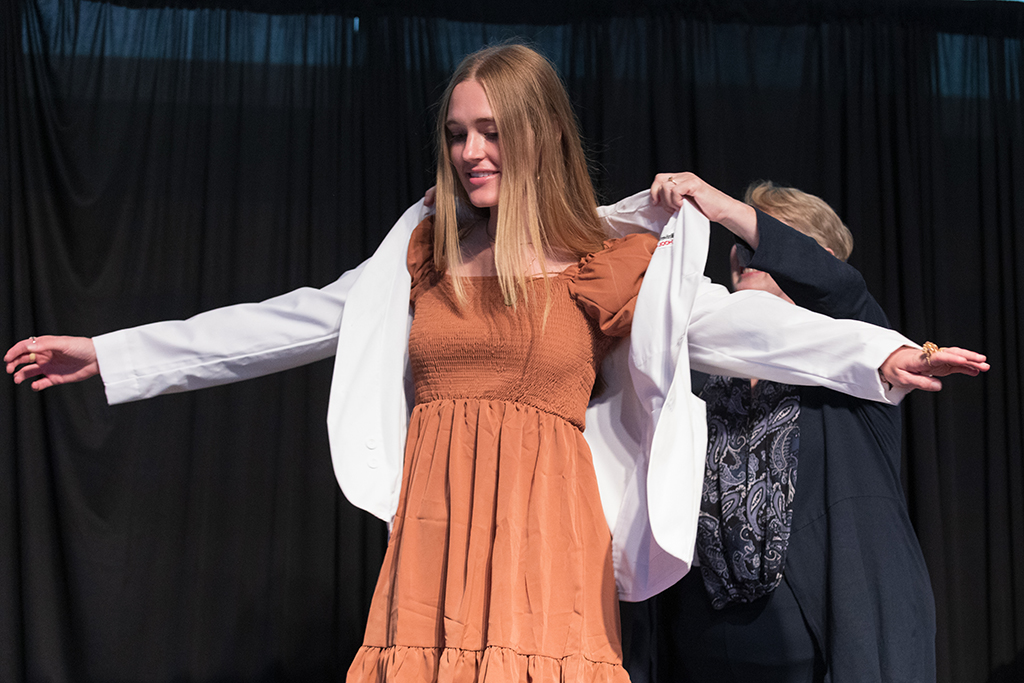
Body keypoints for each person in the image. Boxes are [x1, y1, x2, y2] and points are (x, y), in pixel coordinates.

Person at [5, 45, 986, 683]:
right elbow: (288, 321)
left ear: (540, 132)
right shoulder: (421, 253)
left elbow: (737, 326)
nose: (473, 150)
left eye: (492, 129)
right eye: (459, 132)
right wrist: (113, 352)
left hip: (547, 535)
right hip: (438, 526)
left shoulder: (603, 260)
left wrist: (882, 355)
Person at [630, 172, 951, 682]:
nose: (757, 256)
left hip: (831, 637)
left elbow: (839, 290)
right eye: (746, 247)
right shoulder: (695, 371)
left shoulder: (859, 355)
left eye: (781, 244)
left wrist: (730, 211)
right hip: (704, 644)